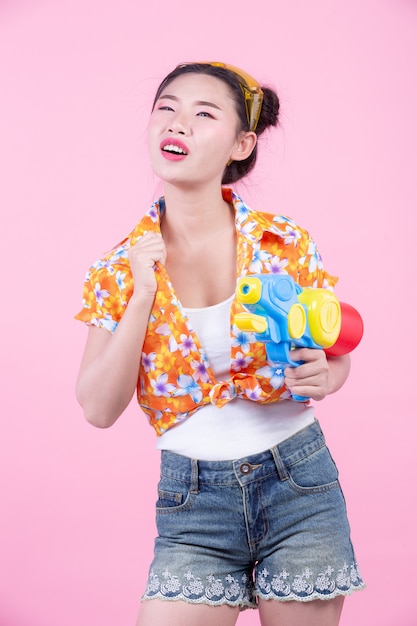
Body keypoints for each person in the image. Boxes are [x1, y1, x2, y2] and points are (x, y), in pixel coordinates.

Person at [75, 62, 365, 626]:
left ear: (241, 142)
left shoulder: (284, 242)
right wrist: (141, 296)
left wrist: (329, 375)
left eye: (203, 114)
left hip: (299, 485)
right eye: (167, 107)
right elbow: (96, 408)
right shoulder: (117, 269)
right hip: (193, 503)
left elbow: (334, 348)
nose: (177, 123)